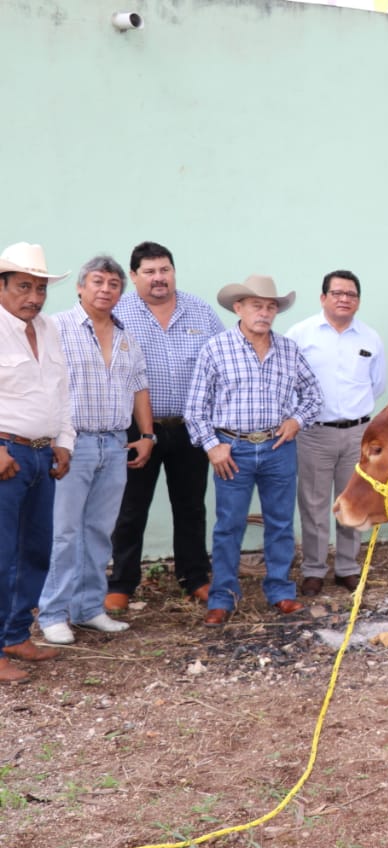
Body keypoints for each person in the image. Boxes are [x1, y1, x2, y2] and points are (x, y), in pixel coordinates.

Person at [184, 275, 322, 627]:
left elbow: (314, 396)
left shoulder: (288, 349)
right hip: (234, 450)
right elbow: (195, 409)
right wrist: (213, 446)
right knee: (228, 526)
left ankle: (280, 592)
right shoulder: (216, 348)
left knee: (279, 523)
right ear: (239, 307)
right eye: (257, 305)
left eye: (271, 306)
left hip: (278, 447)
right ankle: (223, 597)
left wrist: (296, 420)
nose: (264, 312)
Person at [39, 256, 153, 645]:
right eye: (97, 281)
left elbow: (139, 386)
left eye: (113, 284)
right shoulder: (55, 328)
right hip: (72, 444)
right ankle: (53, 613)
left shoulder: (126, 336)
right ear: (80, 287)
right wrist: (55, 439)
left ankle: (89, 609)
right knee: (65, 532)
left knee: (100, 532)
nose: (106, 289)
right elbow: (41, 384)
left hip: (115, 444)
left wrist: (148, 435)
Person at [109, 242, 223, 612]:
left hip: (191, 428)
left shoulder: (200, 311)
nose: (159, 278)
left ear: (173, 271)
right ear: (134, 277)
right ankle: (122, 583)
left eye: (165, 270)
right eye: (150, 272)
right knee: (131, 508)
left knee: (190, 507)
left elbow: (223, 360)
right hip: (137, 429)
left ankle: (195, 578)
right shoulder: (118, 313)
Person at [285, 270, 386, 597]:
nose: (345, 299)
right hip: (314, 433)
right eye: (338, 293)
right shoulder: (300, 335)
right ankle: (314, 569)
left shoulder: (370, 338)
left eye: (351, 294)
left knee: (353, 503)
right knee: (313, 506)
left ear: (358, 300)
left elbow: (378, 384)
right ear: (323, 297)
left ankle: (347, 567)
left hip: (358, 434)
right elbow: (287, 383)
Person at [0, 242, 74, 683]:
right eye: (24, 287)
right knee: (0, 555)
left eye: (41, 288)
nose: (34, 297)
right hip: (6, 453)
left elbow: (60, 390)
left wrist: (64, 441)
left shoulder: (47, 329)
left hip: (42, 455)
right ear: (2, 286)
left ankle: (14, 635)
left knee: (35, 550)